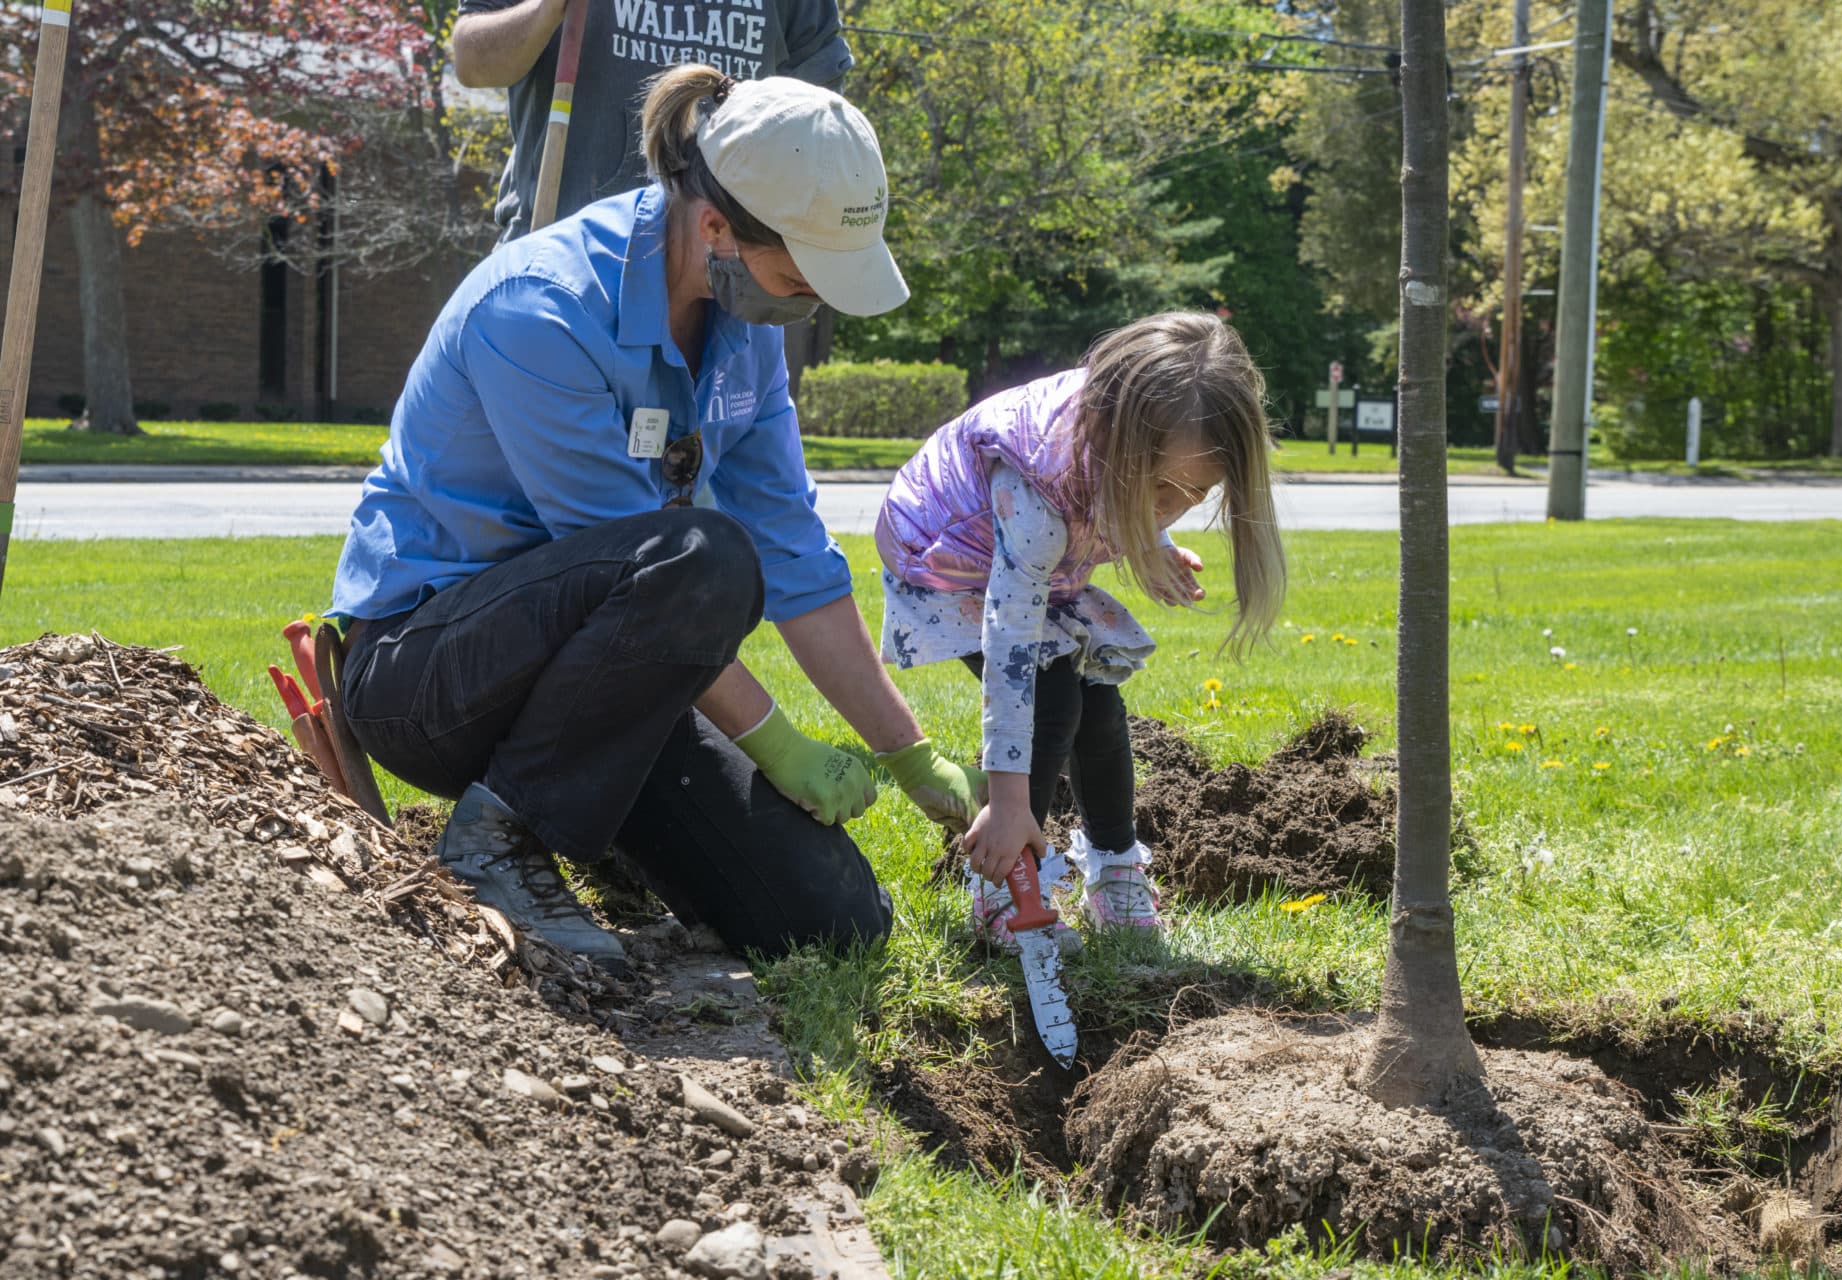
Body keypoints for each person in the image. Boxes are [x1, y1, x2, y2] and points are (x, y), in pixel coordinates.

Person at [330, 68, 982, 977]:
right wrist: (778, 745)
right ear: (716, 226)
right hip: (428, 675)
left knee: (834, 920)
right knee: (703, 555)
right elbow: (646, 562)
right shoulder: (540, 310)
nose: (811, 303)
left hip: (605, 691)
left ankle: (591, 828)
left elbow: (795, 557)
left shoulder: (740, 326)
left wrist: (908, 755)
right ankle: (497, 845)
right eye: (800, 274)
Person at [874, 313, 1286, 944]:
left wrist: (1156, 539)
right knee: (1050, 701)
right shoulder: (1039, 491)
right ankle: (1003, 885)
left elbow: (1136, 496)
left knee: (1098, 708)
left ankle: (1115, 868)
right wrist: (1009, 804)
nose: (1168, 508)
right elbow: (1010, 642)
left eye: (1192, 495)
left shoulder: (1135, 437)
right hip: (950, 558)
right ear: (1110, 435)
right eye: (1156, 490)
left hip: (1030, 559)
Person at [451, 0, 853, 243]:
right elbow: (473, 63)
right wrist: (544, 10)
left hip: (724, 277)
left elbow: (816, 110)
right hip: (566, 265)